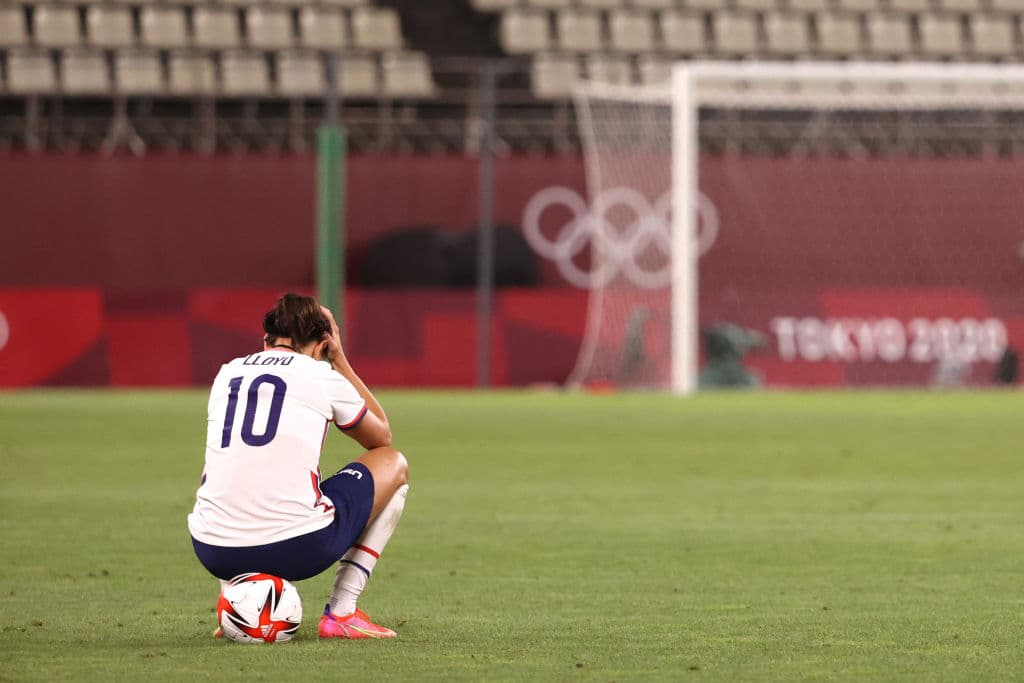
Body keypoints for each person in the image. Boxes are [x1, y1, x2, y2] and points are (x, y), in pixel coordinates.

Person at [187, 292, 409, 639]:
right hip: (298, 548)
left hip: (213, 549)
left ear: (265, 340)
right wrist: (340, 361)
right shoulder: (321, 374)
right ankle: (342, 612)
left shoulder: (227, 374)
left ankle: (232, 608)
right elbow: (381, 436)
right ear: (322, 345)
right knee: (394, 464)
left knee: (232, 475)